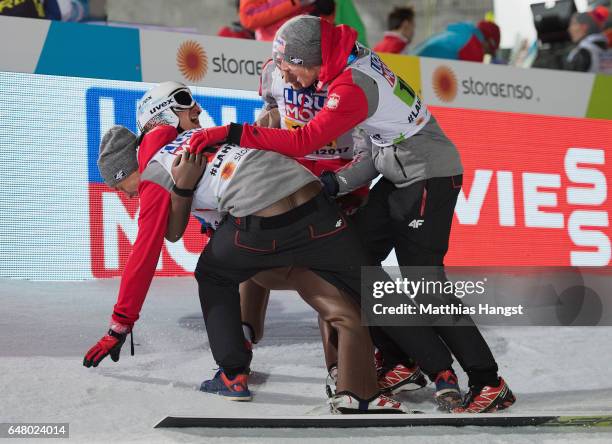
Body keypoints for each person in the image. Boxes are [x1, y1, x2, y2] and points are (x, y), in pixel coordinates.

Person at [187, 15, 516, 414]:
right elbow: (376, 139)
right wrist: (335, 186)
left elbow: (304, 140)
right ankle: (400, 360)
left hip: (427, 175)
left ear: (310, 60)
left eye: (291, 68)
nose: (287, 78)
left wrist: (229, 133)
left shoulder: (349, 84)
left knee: (425, 284)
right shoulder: (342, 60)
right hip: (399, 172)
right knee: (353, 260)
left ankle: (488, 380)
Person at [83, 81, 405, 414]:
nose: (126, 195)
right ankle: (402, 375)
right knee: (352, 285)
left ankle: (233, 372)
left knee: (213, 271)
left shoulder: (156, 170)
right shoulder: (203, 138)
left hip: (269, 215)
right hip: (318, 203)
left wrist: (119, 324)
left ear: (130, 166)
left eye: (122, 186)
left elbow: (146, 252)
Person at [239, 60, 427, 395]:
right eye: (288, 73)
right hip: (293, 184)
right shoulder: (274, 71)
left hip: (339, 187)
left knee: (330, 274)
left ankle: (344, 369)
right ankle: (239, 351)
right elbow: (269, 109)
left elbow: (367, 157)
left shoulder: (346, 84)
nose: (295, 82)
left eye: (302, 73)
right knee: (249, 253)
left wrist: (334, 185)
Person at [239, 0, 335, 41]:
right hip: (273, 49)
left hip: (312, 44)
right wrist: (294, 2)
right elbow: (248, 17)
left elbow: (327, 11)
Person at [411, 19, 500, 62]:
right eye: (487, 52)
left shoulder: (460, 32)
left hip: (409, 64)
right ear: (487, 42)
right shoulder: (473, 46)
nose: (484, 55)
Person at [564, 8, 612, 73]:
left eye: (573, 24)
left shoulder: (581, 53)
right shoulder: (607, 50)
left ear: (584, 27)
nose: (569, 29)